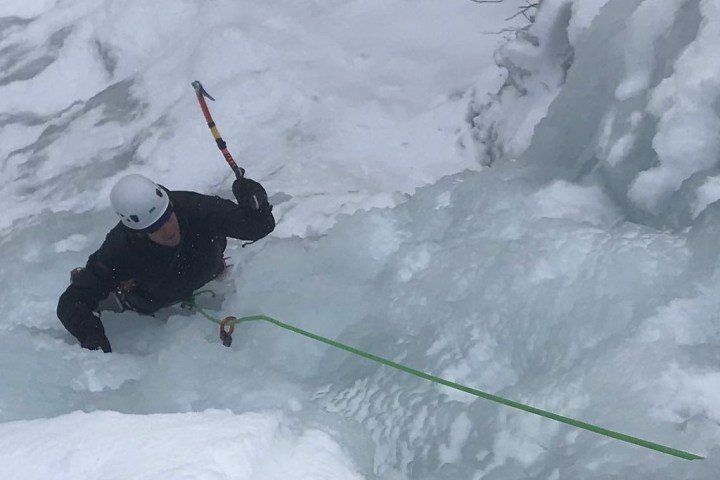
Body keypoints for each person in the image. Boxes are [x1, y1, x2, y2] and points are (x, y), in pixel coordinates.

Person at [57, 173, 275, 353]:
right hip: (149, 298)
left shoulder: (194, 208)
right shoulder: (121, 248)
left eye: (167, 217)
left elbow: (257, 227)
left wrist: (257, 206)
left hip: (206, 272)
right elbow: (71, 301)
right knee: (101, 286)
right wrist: (93, 338)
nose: (169, 230)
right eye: (155, 228)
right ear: (139, 233)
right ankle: (114, 291)